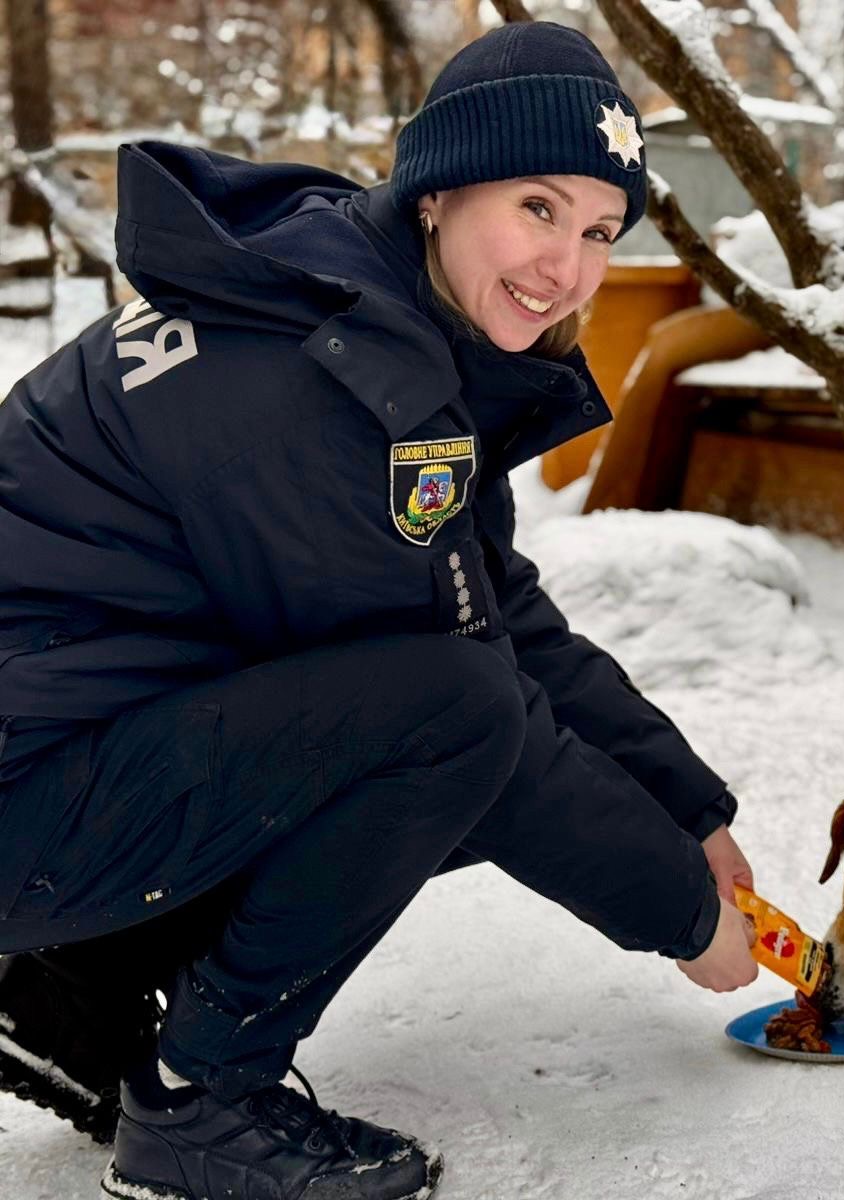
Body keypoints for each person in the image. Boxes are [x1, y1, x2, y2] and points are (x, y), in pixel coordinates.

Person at [0, 21, 759, 1200]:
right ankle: (203, 1099)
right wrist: (679, 912)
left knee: (437, 713)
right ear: (437, 192)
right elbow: (464, 714)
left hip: (53, 751)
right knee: (446, 728)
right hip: (24, 788)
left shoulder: (352, 309)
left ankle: (72, 990)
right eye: (538, 208)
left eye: (601, 230)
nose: (568, 268)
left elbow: (492, 607)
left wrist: (684, 803)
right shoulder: (318, 383)